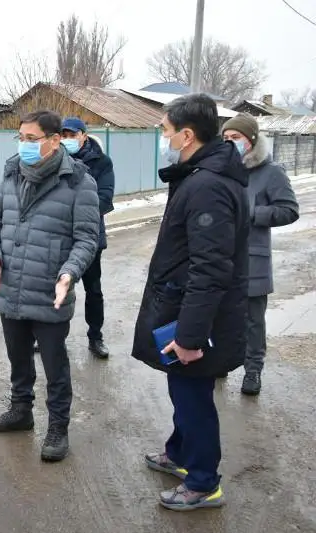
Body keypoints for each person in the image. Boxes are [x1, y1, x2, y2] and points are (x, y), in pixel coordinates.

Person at [132, 94, 249, 511]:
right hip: (186, 309)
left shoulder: (207, 186)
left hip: (196, 319)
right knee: (183, 392)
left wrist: (189, 336)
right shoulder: (201, 176)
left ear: (186, 135)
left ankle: (203, 482)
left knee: (193, 398)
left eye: (165, 131)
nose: (162, 138)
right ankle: (180, 454)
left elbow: (210, 269)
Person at [0, 111, 100, 462]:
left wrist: (69, 273)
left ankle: (58, 427)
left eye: (31, 139)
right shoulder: (12, 172)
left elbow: (87, 238)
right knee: (18, 357)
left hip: (50, 291)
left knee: (54, 365)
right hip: (11, 285)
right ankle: (21, 411)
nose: (24, 145)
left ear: (54, 140)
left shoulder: (79, 182)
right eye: (21, 138)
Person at [221, 114, 299, 395]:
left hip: (253, 259)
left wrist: (253, 213)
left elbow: (289, 210)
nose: (230, 143)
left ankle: (253, 370)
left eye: (236, 138)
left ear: (251, 140)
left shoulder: (271, 172)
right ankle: (219, 363)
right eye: (226, 138)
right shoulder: (222, 169)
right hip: (221, 258)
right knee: (218, 315)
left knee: (252, 321)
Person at [58, 117, 115, 358]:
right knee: (59, 287)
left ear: (83, 135)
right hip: (60, 236)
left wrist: (75, 215)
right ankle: (54, 336)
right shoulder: (56, 159)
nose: (67, 140)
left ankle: (95, 337)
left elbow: (105, 198)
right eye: (64, 135)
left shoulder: (101, 161)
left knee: (93, 290)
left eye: (72, 135)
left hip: (89, 237)